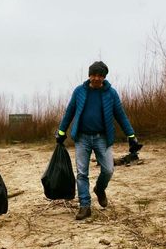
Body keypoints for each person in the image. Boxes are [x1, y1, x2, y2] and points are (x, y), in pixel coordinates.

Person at [57, 61, 140, 220]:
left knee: (108, 170)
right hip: (82, 138)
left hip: (102, 138)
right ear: (89, 75)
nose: (96, 78)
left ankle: (100, 189)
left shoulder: (111, 93)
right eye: (94, 75)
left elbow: (120, 115)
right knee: (82, 173)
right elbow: (69, 112)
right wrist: (61, 132)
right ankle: (85, 205)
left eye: (100, 75)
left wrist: (131, 135)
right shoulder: (79, 91)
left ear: (104, 77)